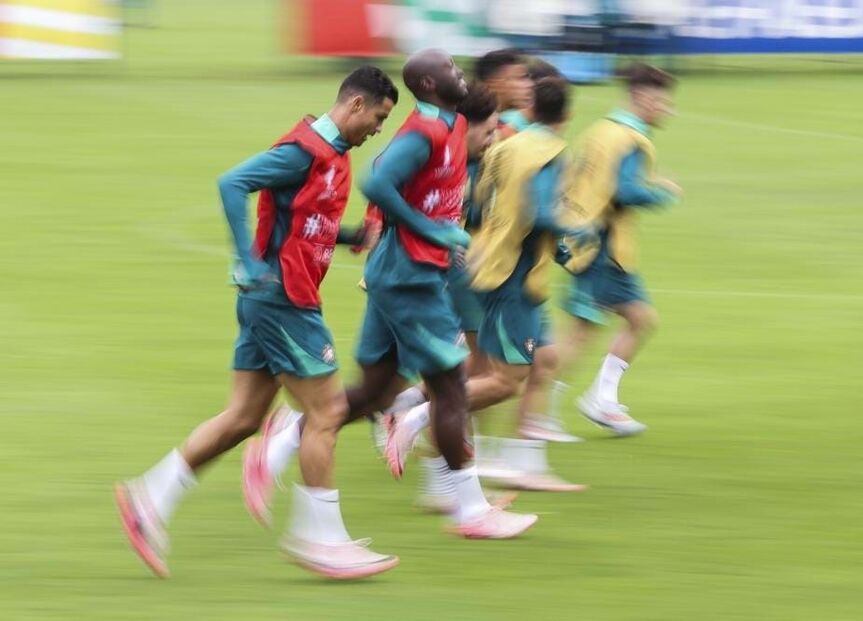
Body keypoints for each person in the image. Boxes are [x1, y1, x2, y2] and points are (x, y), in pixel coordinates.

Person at [114, 66, 402, 580]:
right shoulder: (304, 150)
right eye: (379, 118)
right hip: (284, 302)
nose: (378, 129)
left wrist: (352, 233)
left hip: (273, 303)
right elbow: (233, 183)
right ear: (356, 105)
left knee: (243, 419)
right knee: (327, 413)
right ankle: (320, 539)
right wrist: (245, 261)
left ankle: (148, 498)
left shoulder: (333, 156)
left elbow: (304, 221)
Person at [246, 50, 538, 540]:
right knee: (450, 386)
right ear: (428, 82)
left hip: (400, 273)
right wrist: (432, 229)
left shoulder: (446, 127)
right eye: (447, 66)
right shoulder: (425, 130)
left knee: (379, 391)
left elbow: (396, 170)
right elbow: (377, 180)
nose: (456, 70)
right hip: (411, 276)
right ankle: (471, 510)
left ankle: (281, 441)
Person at [384, 78, 589, 493]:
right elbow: (541, 213)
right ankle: (420, 417)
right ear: (567, 115)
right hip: (514, 275)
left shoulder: (504, 147)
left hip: (488, 265)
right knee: (504, 378)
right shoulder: (549, 153)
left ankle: (466, 472)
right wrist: (575, 226)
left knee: (531, 362)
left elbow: (475, 205)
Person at [556, 63, 682, 436]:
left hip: (585, 237)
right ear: (642, 98)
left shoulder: (601, 131)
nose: (667, 109)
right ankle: (538, 413)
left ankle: (601, 400)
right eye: (662, 101)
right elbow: (624, 191)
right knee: (579, 333)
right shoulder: (632, 140)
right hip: (604, 247)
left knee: (640, 320)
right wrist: (662, 193)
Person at [474, 48, 533, 138]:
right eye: (521, 78)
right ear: (495, 84)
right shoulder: (473, 129)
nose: (530, 84)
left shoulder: (509, 125)